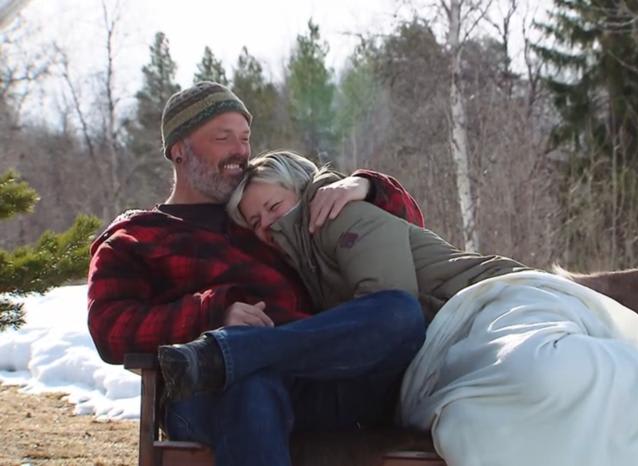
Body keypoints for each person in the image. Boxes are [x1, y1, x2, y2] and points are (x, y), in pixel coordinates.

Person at [199, 150, 638, 466]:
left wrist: (357, 186)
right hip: (439, 358)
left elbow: (391, 305)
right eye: (256, 223)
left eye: (273, 207)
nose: (268, 227)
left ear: (303, 190)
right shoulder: (303, 259)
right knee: (475, 434)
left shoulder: (342, 214)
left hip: (486, 304)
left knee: (541, 369)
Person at [86, 82, 430, 466]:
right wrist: (213, 313)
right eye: (223, 137)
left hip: (322, 381)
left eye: (245, 138)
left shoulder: (265, 214)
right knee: (251, 383)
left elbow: (406, 229)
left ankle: (232, 353)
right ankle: (230, 357)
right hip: (211, 396)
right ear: (179, 150)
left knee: (400, 311)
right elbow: (109, 328)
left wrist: (366, 186)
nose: (240, 151)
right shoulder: (136, 237)